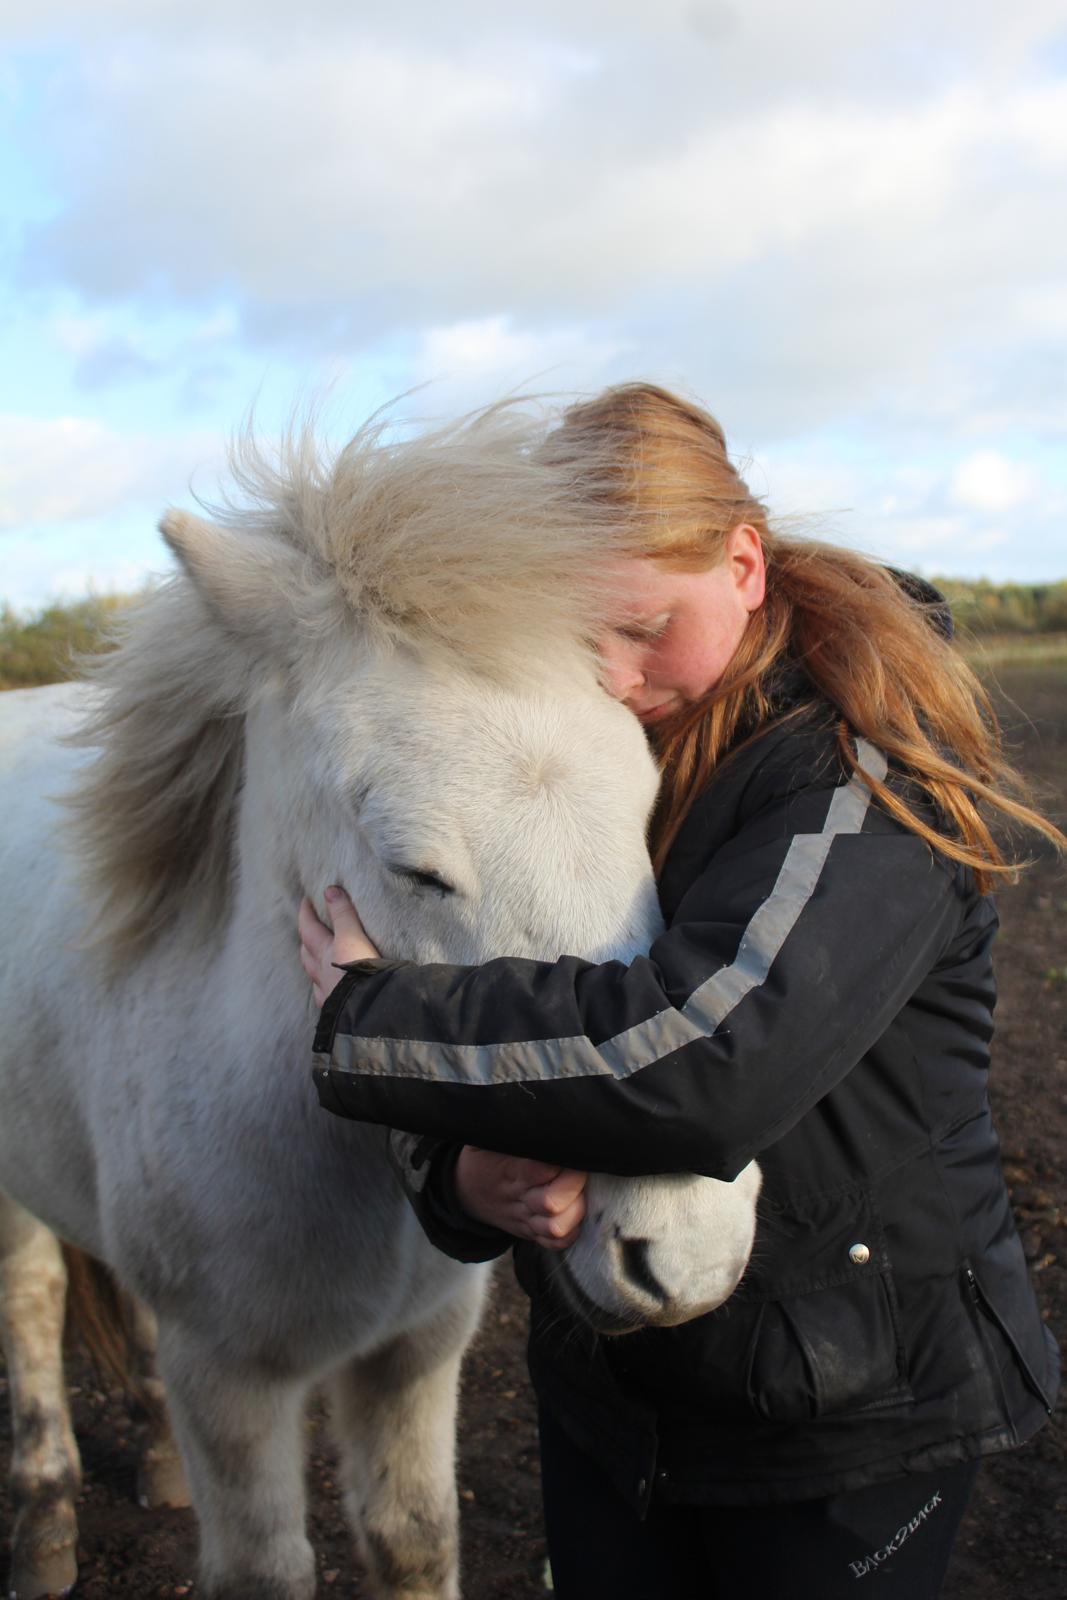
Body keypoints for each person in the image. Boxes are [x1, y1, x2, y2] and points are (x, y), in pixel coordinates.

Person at [297, 383, 1062, 1599]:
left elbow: (706, 1060)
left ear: (745, 565)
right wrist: (459, 1172)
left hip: (843, 1405)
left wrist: (363, 1019)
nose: (609, 673)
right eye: (572, 636)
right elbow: (518, 985)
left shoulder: (860, 758)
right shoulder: (604, 742)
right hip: (613, 1392)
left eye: (643, 625)